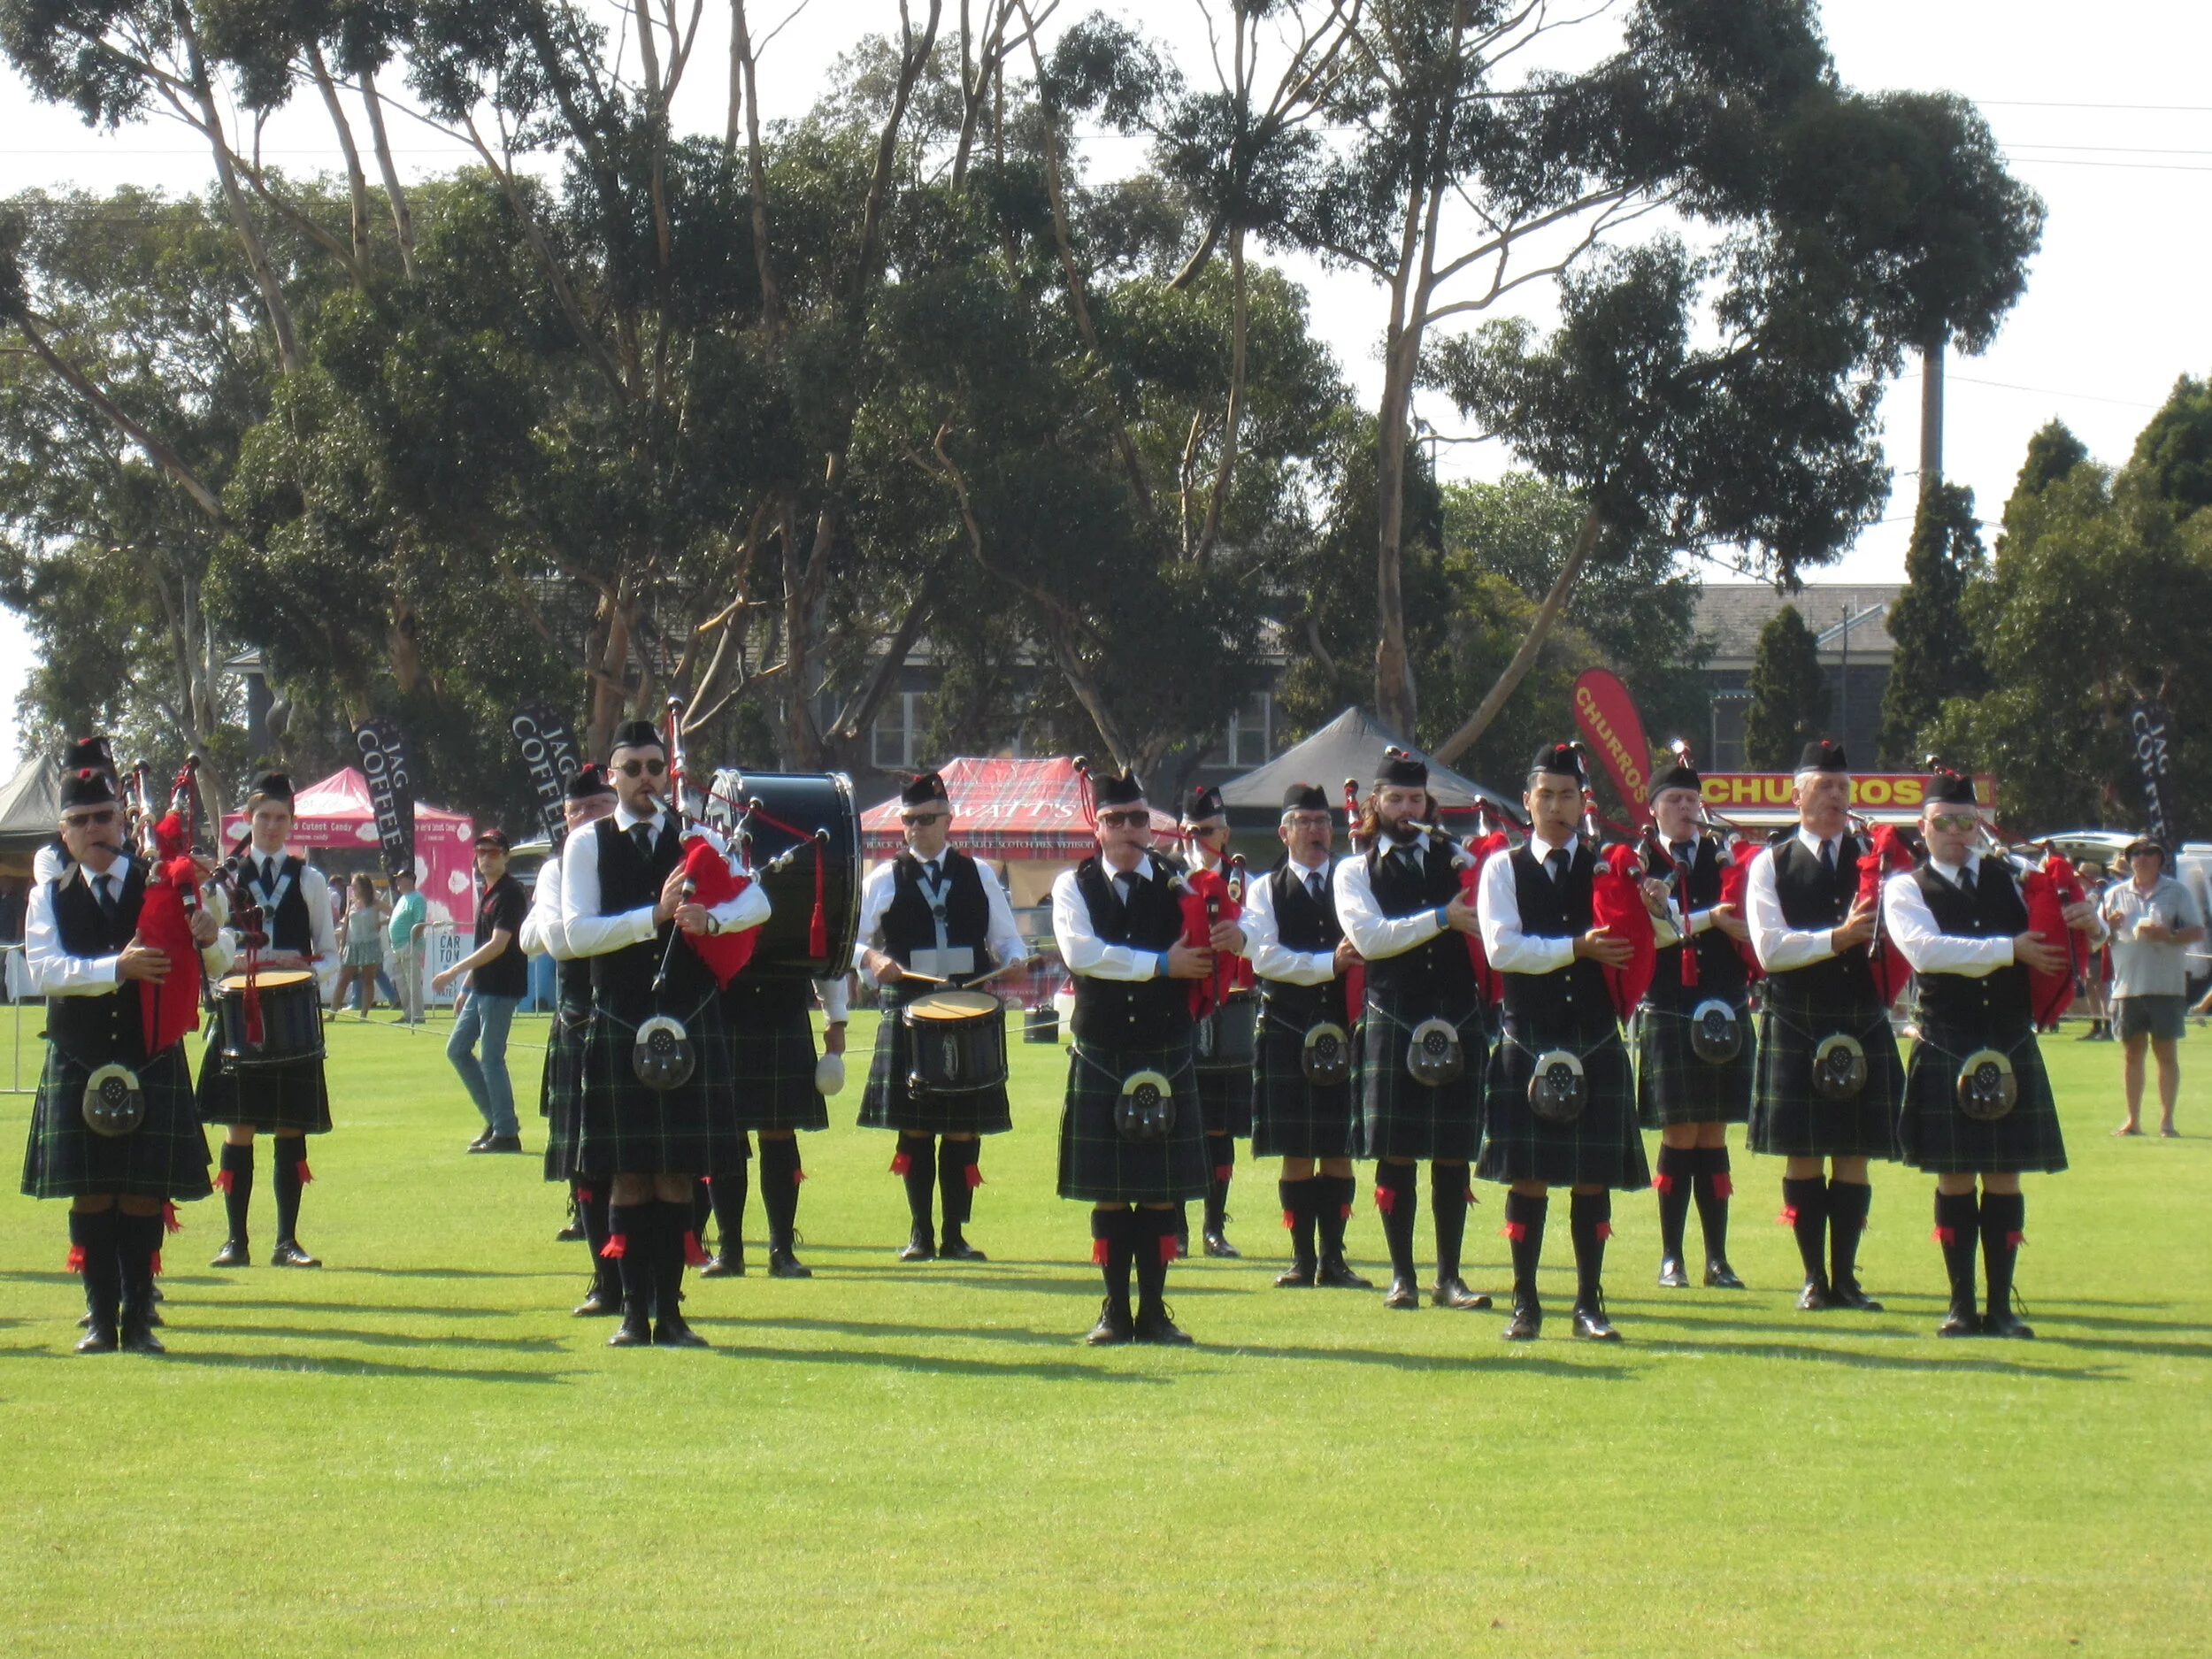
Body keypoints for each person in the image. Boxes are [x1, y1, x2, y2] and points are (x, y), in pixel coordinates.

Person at [559, 719, 765, 1347]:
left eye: (655, 766)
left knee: (677, 1171)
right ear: (612, 776)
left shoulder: (697, 835)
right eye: (633, 768)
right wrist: (654, 916)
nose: (646, 778)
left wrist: (712, 916)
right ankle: (629, 1313)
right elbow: (576, 934)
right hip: (620, 1017)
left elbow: (758, 903)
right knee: (627, 1172)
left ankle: (671, 1313)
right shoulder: (587, 845)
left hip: (688, 1017)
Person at [1886, 770, 2106, 1338]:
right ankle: (1961, 1306)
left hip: (2007, 1037)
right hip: (1945, 1039)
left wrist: (2094, 925)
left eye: (1967, 821)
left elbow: (2069, 926)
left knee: (2005, 1174)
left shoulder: (2015, 879)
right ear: (1923, 827)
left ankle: (2001, 1308)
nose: (1957, 833)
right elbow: (1926, 953)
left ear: (1979, 824)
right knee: (1955, 1175)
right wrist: (2010, 949)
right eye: (1944, 823)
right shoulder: (1905, 888)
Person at [22, 767, 234, 1351]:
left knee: (142, 1192)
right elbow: (45, 970)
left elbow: (221, 964)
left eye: (103, 817)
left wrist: (212, 936)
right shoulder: (49, 894)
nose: (93, 829)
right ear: (64, 834)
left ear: (122, 820)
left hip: (150, 1053)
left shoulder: (164, 880)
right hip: (78, 1056)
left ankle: (138, 1321)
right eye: (79, 821)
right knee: (90, 1192)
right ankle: (98, 1318)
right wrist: (117, 967)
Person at [1475, 743, 1648, 1340]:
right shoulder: (1502, 867)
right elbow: (1502, 949)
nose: (1554, 805)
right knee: (1529, 1175)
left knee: (1591, 1175)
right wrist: (1576, 947)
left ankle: (1588, 1302)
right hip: (1529, 1033)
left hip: (1595, 1034)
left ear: (1583, 802)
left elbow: (1649, 944)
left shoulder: (1610, 868)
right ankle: (1525, 1301)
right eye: (1544, 794)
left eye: (1566, 794)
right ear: (1526, 801)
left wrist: (1652, 911)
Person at [1052, 769, 1216, 1344]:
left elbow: (1216, 940)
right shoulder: (1073, 886)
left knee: (1160, 1189)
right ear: (1096, 827)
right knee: (1112, 1189)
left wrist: (1231, 940)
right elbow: (1082, 954)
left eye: (1138, 818)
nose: (1127, 829)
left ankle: (1154, 1311)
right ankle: (1113, 1311)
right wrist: (1160, 964)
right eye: (1115, 819)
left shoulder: (1181, 885)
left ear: (1152, 825)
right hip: (1102, 1049)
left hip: (1163, 1045)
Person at [1743, 741, 1905, 1312]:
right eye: (1825, 786)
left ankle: (1847, 1277)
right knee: (1805, 1151)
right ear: (1797, 796)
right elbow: (1769, 949)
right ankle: (1813, 1276)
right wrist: (1837, 937)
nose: (1837, 796)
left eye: (1843, 786)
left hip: (1860, 1012)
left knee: (1855, 1150)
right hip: (1796, 1016)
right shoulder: (1771, 861)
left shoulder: (1878, 859)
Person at [1335, 749, 1493, 1313]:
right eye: (1395, 799)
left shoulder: (1459, 862)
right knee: (1395, 1153)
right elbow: (1372, 941)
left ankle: (1449, 1277)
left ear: (1429, 804)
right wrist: (1440, 919)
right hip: (1392, 1015)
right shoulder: (1353, 871)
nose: (1406, 808)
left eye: (1416, 799)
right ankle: (1401, 1276)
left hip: (1456, 1013)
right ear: (1375, 803)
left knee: (1452, 1152)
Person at [853, 770, 1030, 1263]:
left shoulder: (980, 875)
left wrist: (1014, 960)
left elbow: (1006, 938)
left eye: (927, 819)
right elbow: (850, 940)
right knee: (915, 1128)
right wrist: (872, 960)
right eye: (909, 820)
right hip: (909, 1012)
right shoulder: (883, 878)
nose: (917, 829)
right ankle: (919, 1234)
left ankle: (954, 1236)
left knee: (962, 1128)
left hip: (970, 1009)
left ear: (949, 819)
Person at [197, 772, 340, 1270]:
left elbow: (329, 957)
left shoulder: (310, 880)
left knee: (289, 1126)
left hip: (292, 1016)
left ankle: (287, 1241)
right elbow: (211, 954)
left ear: (292, 822)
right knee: (238, 1128)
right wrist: (226, 960)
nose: (273, 826)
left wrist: (300, 969)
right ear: (249, 820)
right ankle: (235, 1241)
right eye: (264, 817)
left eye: (282, 817)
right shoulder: (223, 881)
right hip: (238, 1013)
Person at [1243, 783, 1371, 1290]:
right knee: (1296, 1149)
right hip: (1287, 1027)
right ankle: (1300, 1259)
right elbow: (1264, 958)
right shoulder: (1263, 889)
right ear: (1284, 831)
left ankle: (1334, 1259)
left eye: (1323, 822)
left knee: (1338, 1147)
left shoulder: (1352, 879)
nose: (1317, 831)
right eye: (1305, 822)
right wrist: (1328, 964)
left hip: (1345, 1027)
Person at [1633, 758, 1751, 1290]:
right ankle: (1671, 1256)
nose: (1686, 809)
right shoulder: (1640, 859)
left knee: (1714, 1133)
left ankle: (1718, 1258)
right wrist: (1710, 919)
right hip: (1670, 1002)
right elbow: (1653, 932)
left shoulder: (1725, 855)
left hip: (1723, 999)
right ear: (1654, 807)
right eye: (1675, 800)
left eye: (1692, 801)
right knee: (1679, 1134)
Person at [522, 764, 623, 1314]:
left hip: (636, 1022)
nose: (587, 819)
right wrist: (552, 927)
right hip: (582, 1025)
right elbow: (545, 940)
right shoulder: (556, 871)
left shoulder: (637, 861)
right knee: (588, 1164)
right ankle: (604, 1281)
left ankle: (646, 1279)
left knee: (644, 1162)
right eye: (576, 812)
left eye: (598, 807)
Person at [1177, 784, 1254, 1257]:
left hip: (1232, 1010)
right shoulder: (1168, 878)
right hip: (1181, 1008)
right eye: (1190, 831)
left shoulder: (1243, 880)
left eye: (1205, 831)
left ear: (1223, 833)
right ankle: (1178, 1228)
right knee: (1180, 1122)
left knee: (1220, 1127)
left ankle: (1213, 1227)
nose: (1196, 839)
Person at [434, 829, 530, 1154]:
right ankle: (498, 1120)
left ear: (505, 856)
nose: (485, 858)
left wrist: (453, 971)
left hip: (502, 986)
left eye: (492, 852)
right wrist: (466, 985)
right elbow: (482, 945)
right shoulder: (488, 892)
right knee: (458, 1049)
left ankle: (506, 1133)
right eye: (480, 852)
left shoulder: (510, 893)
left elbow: (498, 945)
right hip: (483, 986)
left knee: (491, 1058)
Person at [2102, 838, 2204, 1138]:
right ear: (2129, 860)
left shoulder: (2176, 891)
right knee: (2132, 1054)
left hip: (2165, 985)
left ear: (2159, 859)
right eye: (2135, 854)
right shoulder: (2114, 894)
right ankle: (2133, 1120)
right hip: (2127, 986)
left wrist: (2168, 934)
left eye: (2148, 853)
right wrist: (2107, 925)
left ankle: (2167, 1122)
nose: (2141, 858)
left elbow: (2197, 931)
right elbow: (2097, 937)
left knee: (2166, 1053)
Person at [33, 735, 119, 888]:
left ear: (118, 789)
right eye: (78, 819)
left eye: (98, 780)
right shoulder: (52, 858)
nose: (87, 788)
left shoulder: (144, 844)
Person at [332, 872, 386, 1018]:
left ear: (364, 886)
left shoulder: (375, 902)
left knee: (368, 979)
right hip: (353, 944)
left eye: (355, 884)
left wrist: (380, 923)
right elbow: (346, 924)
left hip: (370, 943)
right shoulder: (351, 902)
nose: (353, 887)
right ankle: (332, 1013)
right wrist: (342, 944)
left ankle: (364, 1013)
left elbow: (393, 913)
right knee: (343, 979)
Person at [2074, 861, 2112, 1041]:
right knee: (2091, 985)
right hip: (2088, 946)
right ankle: (2097, 1024)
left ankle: (2107, 1025)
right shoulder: (2085, 894)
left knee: (2101, 987)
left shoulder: (2097, 894)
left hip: (2100, 946)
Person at [386, 868, 428, 1025]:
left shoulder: (417, 899)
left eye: (400, 878)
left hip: (409, 946)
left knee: (413, 982)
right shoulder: (403, 898)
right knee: (402, 983)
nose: (397, 881)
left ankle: (417, 1015)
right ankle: (408, 1013)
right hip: (398, 947)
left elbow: (420, 923)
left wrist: (411, 943)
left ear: (410, 880)